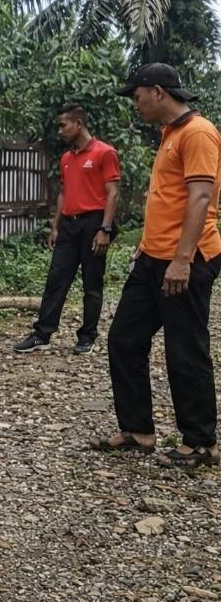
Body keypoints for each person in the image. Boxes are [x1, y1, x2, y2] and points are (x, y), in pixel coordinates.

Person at [90, 63, 221, 468]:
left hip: (186, 260)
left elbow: (200, 199)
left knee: (185, 349)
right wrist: (146, 248)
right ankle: (138, 430)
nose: (136, 103)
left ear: (158, 91)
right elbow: (168, 201)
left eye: (137, 96)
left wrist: (181, 260)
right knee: (124, 339)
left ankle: (201, 443)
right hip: (153, 258)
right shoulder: (171, 133)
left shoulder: (198, 133)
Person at [14, 104, 120, 355]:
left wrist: (105, 228)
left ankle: (87, 336)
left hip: (94, 223)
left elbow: (113, 193)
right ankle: (42, 334)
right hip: (69, 226)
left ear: (79, 124)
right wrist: (55, 226)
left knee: (92, 283)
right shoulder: (66, 158)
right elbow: (63, 193)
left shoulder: (105, 153)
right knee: (56, 279)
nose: (60, 130)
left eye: (64, 125)